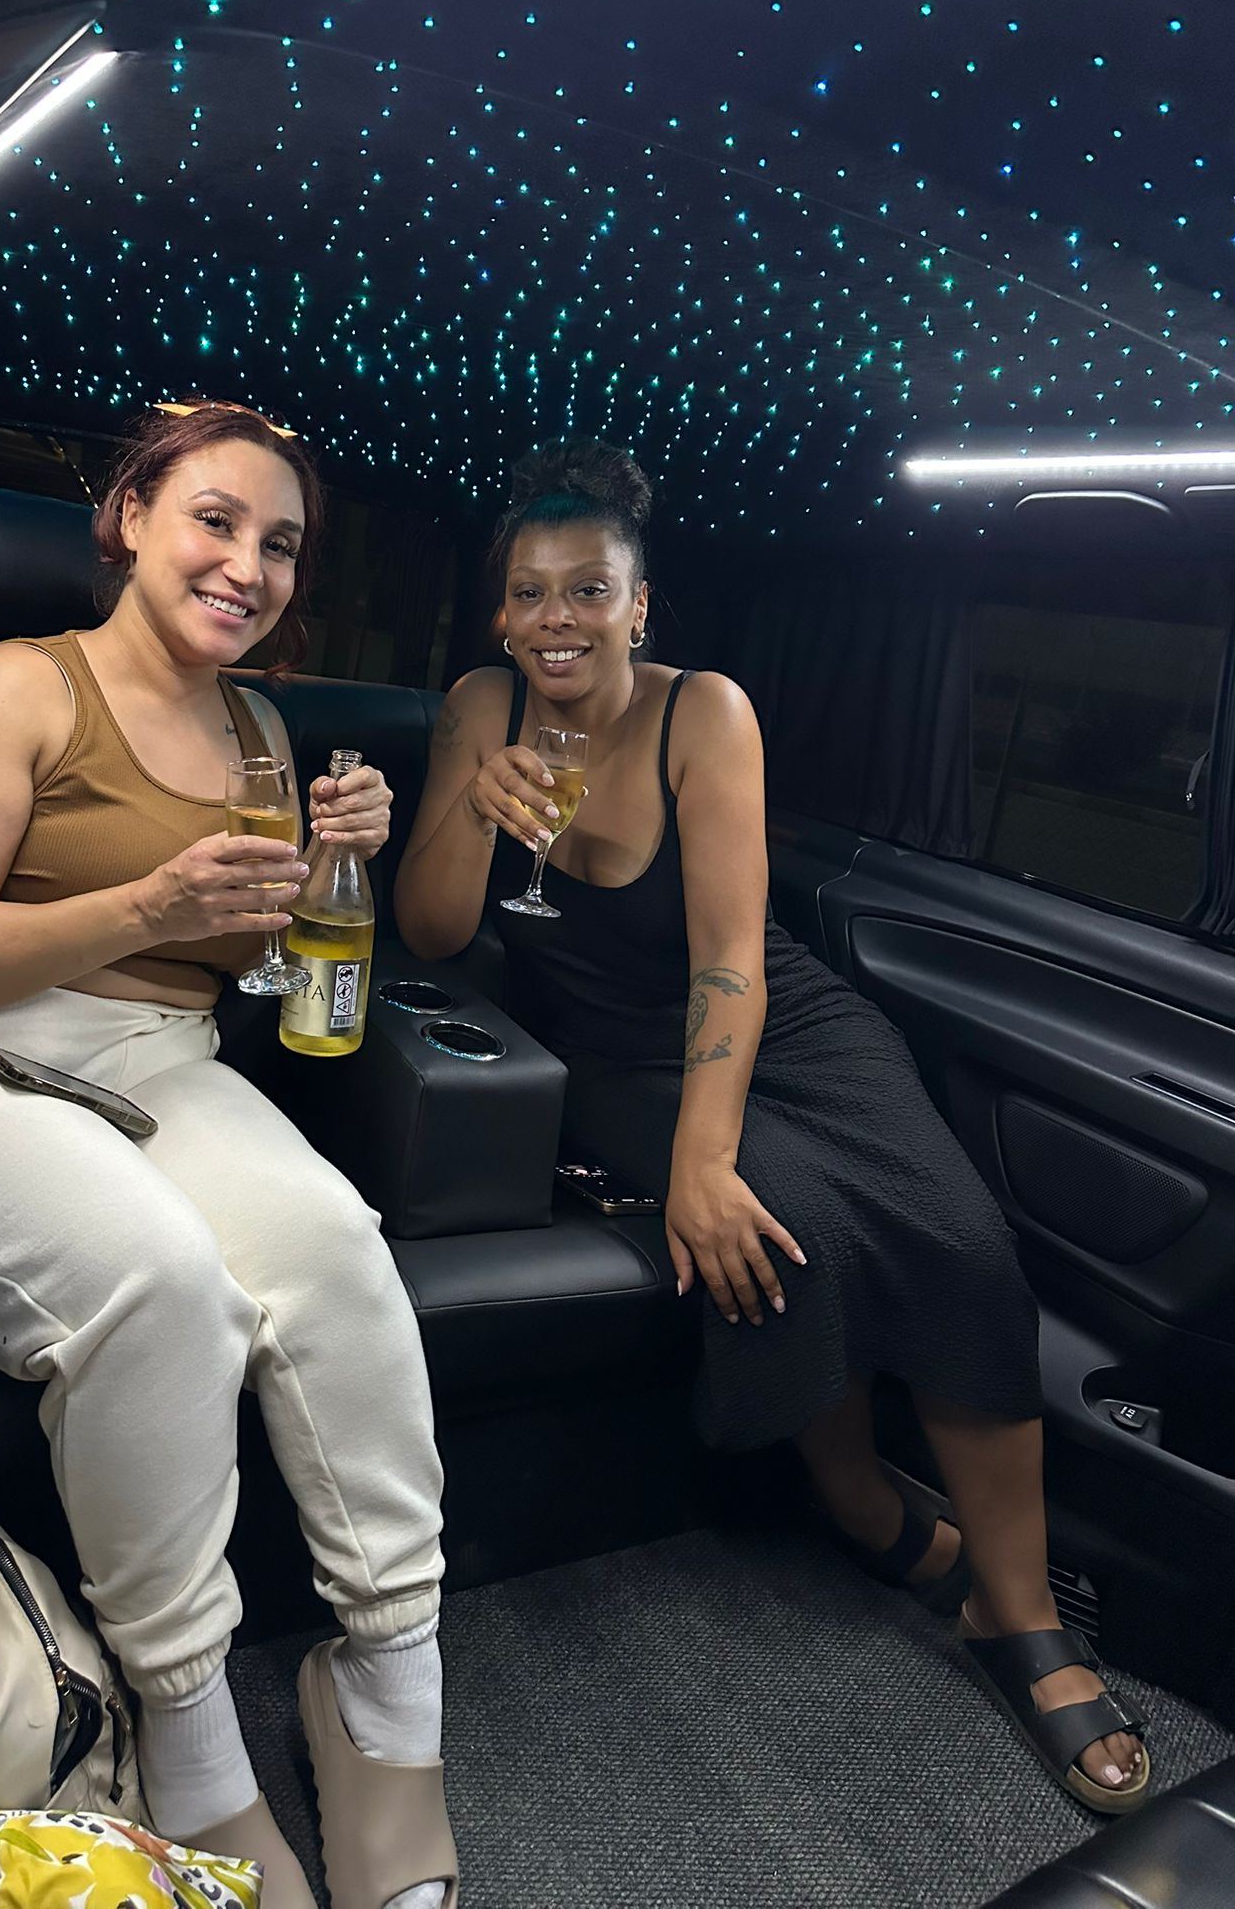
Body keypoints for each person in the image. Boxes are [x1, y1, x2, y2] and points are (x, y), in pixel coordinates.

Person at [0, 402, 458, 1909]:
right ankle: (192, 1743)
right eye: (215, 520)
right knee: (159, 1281)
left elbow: (248, 956)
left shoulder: (262, 733)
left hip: (150, 1056)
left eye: (281, 545)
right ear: (131, 518)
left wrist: (337, 861)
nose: (248, 565)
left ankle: (390, 1700)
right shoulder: (16, 688)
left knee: (336, 1251)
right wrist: (147, 904)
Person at [394, 440, 1150, 1817]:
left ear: (639, 607)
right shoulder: (479, 705)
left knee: (960, 1238)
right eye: (531, 592)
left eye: (589, 590)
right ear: (501, 613)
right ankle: (864, 1507)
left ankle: (1021, 1610)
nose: (558, 618)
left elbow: (733, 959)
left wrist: (700, 1159)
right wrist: (469, 806)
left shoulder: (705, 714)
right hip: (608, 1050)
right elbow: (436, 934)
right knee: (783, 1230)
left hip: (771, 1020)